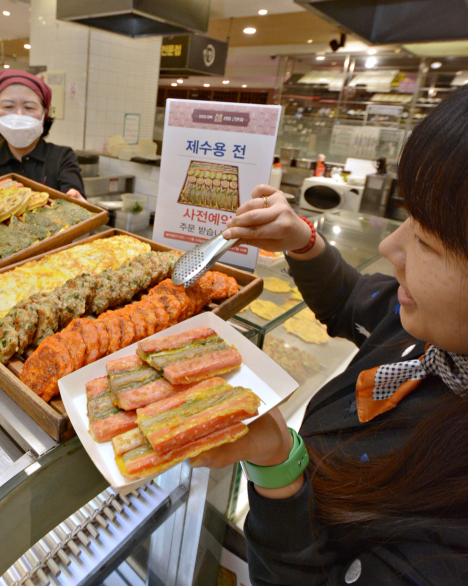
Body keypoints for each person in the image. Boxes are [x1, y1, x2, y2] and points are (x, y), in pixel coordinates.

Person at [190, 88, 468, 585]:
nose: (389, 245)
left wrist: (278, 464)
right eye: (409, 218)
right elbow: (356, 303)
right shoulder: (441, 335)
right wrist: (302, 240)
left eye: (427, 240)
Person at [0, 70, 86, 200]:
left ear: (44, 114)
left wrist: (79, 203)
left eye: (29, 107)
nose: (19, 115)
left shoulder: (62, 158)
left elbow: (76, 200)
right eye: (8, 106)